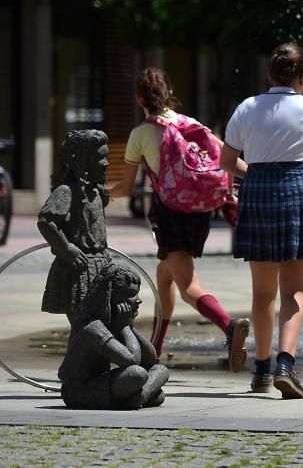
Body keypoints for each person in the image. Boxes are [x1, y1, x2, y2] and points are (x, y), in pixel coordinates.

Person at [108, 67, 250, 372]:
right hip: (200, 212)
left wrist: (102, 196)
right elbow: (225, 158)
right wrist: (250, 178)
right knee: (165, 272)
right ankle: (155, 348)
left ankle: (230, 325)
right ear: (168, 94)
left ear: (138, 98)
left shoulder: (140, 134)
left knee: (188, 287)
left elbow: (127, 186)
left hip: (172, 213)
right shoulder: (190, 123)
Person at [221, 43, 303, 399]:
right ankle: (286, 365)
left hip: (257, 191)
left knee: (263, 292)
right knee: (294, 291)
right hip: (297, 188)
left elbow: (226, 159)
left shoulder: (247, 107)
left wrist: (254, 172)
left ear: (269, 74)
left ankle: (262, 369)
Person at [59, 262, 169, 410]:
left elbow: (151, 359)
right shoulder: (94, 328)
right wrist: (124, 327)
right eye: (131, 294)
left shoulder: (113, 321)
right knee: (137, 374)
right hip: (80, 392)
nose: (138, 300)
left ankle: (139, 397)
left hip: (101, 382)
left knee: (160, 370)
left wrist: (130, 326)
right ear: (112, 297)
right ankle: (141, 396)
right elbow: (132, 361)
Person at [39, 130, 113, 319]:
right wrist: (66, 248)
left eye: (107, 157)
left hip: (101, 266)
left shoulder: (96, 192)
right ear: (82, 160)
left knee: (103, 322)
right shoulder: (66, 191)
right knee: (85, 325)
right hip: (78, 271)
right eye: (100, 158)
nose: (107, 163)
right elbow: (46, 222)